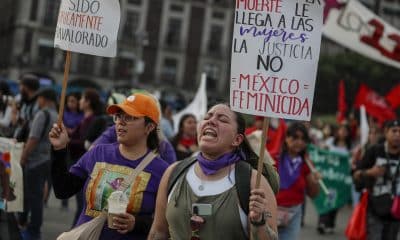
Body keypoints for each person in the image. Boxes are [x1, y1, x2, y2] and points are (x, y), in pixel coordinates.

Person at [148, 104, 278, 240]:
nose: (211, 121)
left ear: (237, 139)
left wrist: (259, 222)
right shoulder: (173, 172)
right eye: (206, 117)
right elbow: (158, 232)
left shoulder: (254, 183)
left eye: (222, 120)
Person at [50, 93, 169, 239]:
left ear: (149, 127)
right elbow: (63, 190)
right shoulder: (98, 153)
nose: (120, 122)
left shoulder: (162, 171)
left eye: (130, 117)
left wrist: (136, 223)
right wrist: (59, 149)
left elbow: (165, 226)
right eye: (118, 116)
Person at [18, 88, 58, 240]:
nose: (38, 102)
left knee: (32, 196)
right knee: (37, 196)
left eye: (39, 98)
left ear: (44, 99)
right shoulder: (56, 115)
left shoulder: (43, 114)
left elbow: (33, 138)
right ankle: (33, 228)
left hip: (35, 161)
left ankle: (33, 230)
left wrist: (24, 156)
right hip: (47, 159)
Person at [353, 119, 400, 240]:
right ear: (386, 132)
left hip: (396, 212)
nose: (397, 135)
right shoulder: (374, 151)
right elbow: (355, 174)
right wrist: (369, 172)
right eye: (394, 131)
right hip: (375, 210)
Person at [275, 122, 321, 240]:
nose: (299, 142)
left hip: (294, 213)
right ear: (286, 138)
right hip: (272, 210)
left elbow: (313, 194)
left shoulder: (307, 164)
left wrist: (314, 181)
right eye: (295, 137)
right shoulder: (274, 159)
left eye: (303, 139)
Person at [318, 123, 352, 234]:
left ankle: (330, 223)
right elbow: (321, 153)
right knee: (325, 199)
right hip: (328, 177)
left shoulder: (349, 147)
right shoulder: (330, 142)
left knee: (335, 201)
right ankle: (322, 223)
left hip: (339, 181)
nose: (342, 133)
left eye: (345, 131)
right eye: (341, 130)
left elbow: (350, 162)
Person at [14, 74, 40, 142]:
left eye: (21, 85)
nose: (19, 88)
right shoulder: (22, 100)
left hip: (29, 142)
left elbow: (36, 128)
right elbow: (17, 123)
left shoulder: (38, 103)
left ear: (26, 87)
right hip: (18, 139)